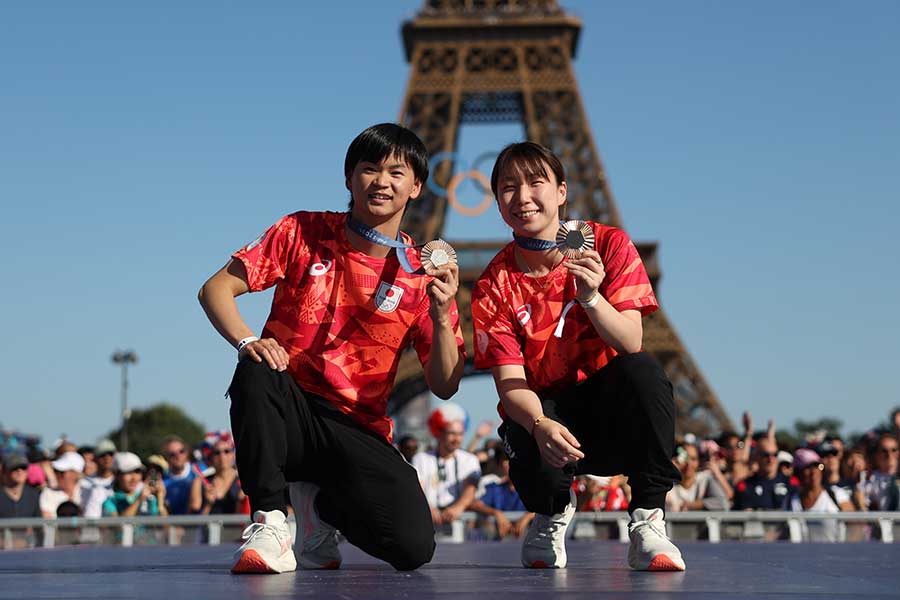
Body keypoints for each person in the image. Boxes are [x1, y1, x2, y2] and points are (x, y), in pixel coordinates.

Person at [198, 123, 466, 574]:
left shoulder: (422, 274)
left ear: (417, 186)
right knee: (256, 364)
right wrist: (248, 340)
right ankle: (271, 520)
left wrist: (442, 314)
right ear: (349, 178)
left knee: (413, 548)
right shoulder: (302, 230)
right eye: (369, 169)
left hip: (357, 425)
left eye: (396, 172)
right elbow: (215, 288)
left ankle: (320, 508)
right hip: (292, 406)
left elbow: (444, 385)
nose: (381, 181)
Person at [471, 142, 684, 571]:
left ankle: (647, 520)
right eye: (508, 187)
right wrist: (540, 423)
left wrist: (591, 297)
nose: (522, 196)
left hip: (609, 411)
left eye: (536, 182)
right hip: (549, 411)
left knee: (644, 372)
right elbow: (510, 381)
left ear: (562, 191)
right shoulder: (494, 282)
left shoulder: (608, 244)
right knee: (522, 420)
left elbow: (630, 342)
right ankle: (551, 511)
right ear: (496, 202)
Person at [412, 404, 481, 530]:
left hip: (460, 525)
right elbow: (417, 488)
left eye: (460, 434)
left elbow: (470, 489)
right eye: (452, 433)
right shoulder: (421, 459)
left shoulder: (470, 459)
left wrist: (458, 507)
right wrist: (428, 508)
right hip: (429, 523)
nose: (457, 439)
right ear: (439, 432)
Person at [469, 447, 533, 539]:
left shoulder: (532, 489)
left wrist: (528, 516)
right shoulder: (495, 488)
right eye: (506, 461)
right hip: (499, 543)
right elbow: (475, 504)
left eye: (513, 461)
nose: (509, 465)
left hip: (527, 543)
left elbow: (547, 507)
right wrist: (496, 513)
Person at [189, 434, 246, 515]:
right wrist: (208, 504)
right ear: (211, 457)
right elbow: (194, 522)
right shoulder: (200, 482)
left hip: (237, 527)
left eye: (226, 451)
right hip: (210, 527)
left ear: (233, 455)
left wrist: (241, 501)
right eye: (217, 452)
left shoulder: (245, 481)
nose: (222, 456)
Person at [734, 439, 794, 511]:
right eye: (766, 455)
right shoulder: (746, 485)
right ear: (756, 457)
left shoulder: (790, 483)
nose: (771, 459)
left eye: (775, 455)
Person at [102, 452, 168, 517]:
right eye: (128, 472)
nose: (134, 478)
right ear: (116, 475)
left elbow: (165, 527)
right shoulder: (110, 502)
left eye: (137, 471)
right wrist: (139, 500)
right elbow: (119, 526)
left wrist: (160, 501)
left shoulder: (150, 499)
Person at [39, 451, 86, 518]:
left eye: (62, 472)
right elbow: (48, 522)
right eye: (56, 471)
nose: (57, 475)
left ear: (75, 474)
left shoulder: (87, 491)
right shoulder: (48, 493)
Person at [161, 436, 197, 515]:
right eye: (172, 454)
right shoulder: (163, 483)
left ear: (187, 452)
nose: (178, 456)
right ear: (165, 458)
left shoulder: (201, 472)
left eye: (181, 451)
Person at [80, 439, 116, 518]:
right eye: (102, 455)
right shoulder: (84, 482)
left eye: (110, 454)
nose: (107, 458)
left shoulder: (120, 482)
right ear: (95, 458)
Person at [0, 454, 41, 519]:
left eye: (23, 468)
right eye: (14, 468)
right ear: (4, 472)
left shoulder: (33, 494)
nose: (20, 471)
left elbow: (38, 525)